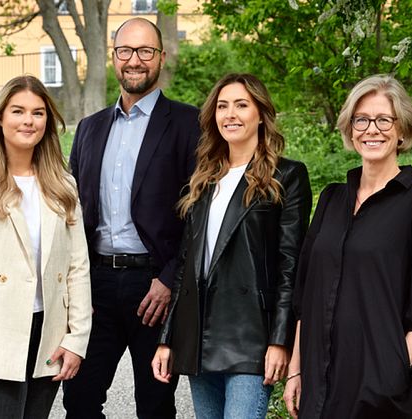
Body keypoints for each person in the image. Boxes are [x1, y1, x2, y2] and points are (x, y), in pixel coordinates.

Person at [283, 74, 412, 418]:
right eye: (361, 120)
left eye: (383, 119)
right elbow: (307, 294)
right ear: (350, 130)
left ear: (403, 130)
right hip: (318, 384)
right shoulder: (331, 200)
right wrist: (296, 370)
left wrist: (391, 372)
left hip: (378, 391)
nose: (371, 129)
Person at [151, 73, 312, 418]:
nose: (230, 114)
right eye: (222, 106)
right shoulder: (202, 181)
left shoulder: (287, 176)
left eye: (242, 105)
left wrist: (279, 340)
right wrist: (168, 338)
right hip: (198, 337)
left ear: (260, 114)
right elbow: (185, 266)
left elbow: (291, 266)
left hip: (250, 337)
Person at [63, 17, 201, 418]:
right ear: (114, 57)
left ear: (160, 57)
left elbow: (200, 214)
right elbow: (74, 214)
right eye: (126, 51)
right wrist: (76, 285)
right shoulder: (89, 129)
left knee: (155, 405)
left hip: (153, 287)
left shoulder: (189, 125)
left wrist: (170, 279)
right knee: (80, 401)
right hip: (97, 287)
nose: (134, 60)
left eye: (145, 51)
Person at [0, 75, 92, 419]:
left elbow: (77, 266)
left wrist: (76, 339)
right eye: (18, 111)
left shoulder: (62, 183)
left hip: (48, 333)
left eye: (38, 113)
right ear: (0, 118)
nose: (28, 121)